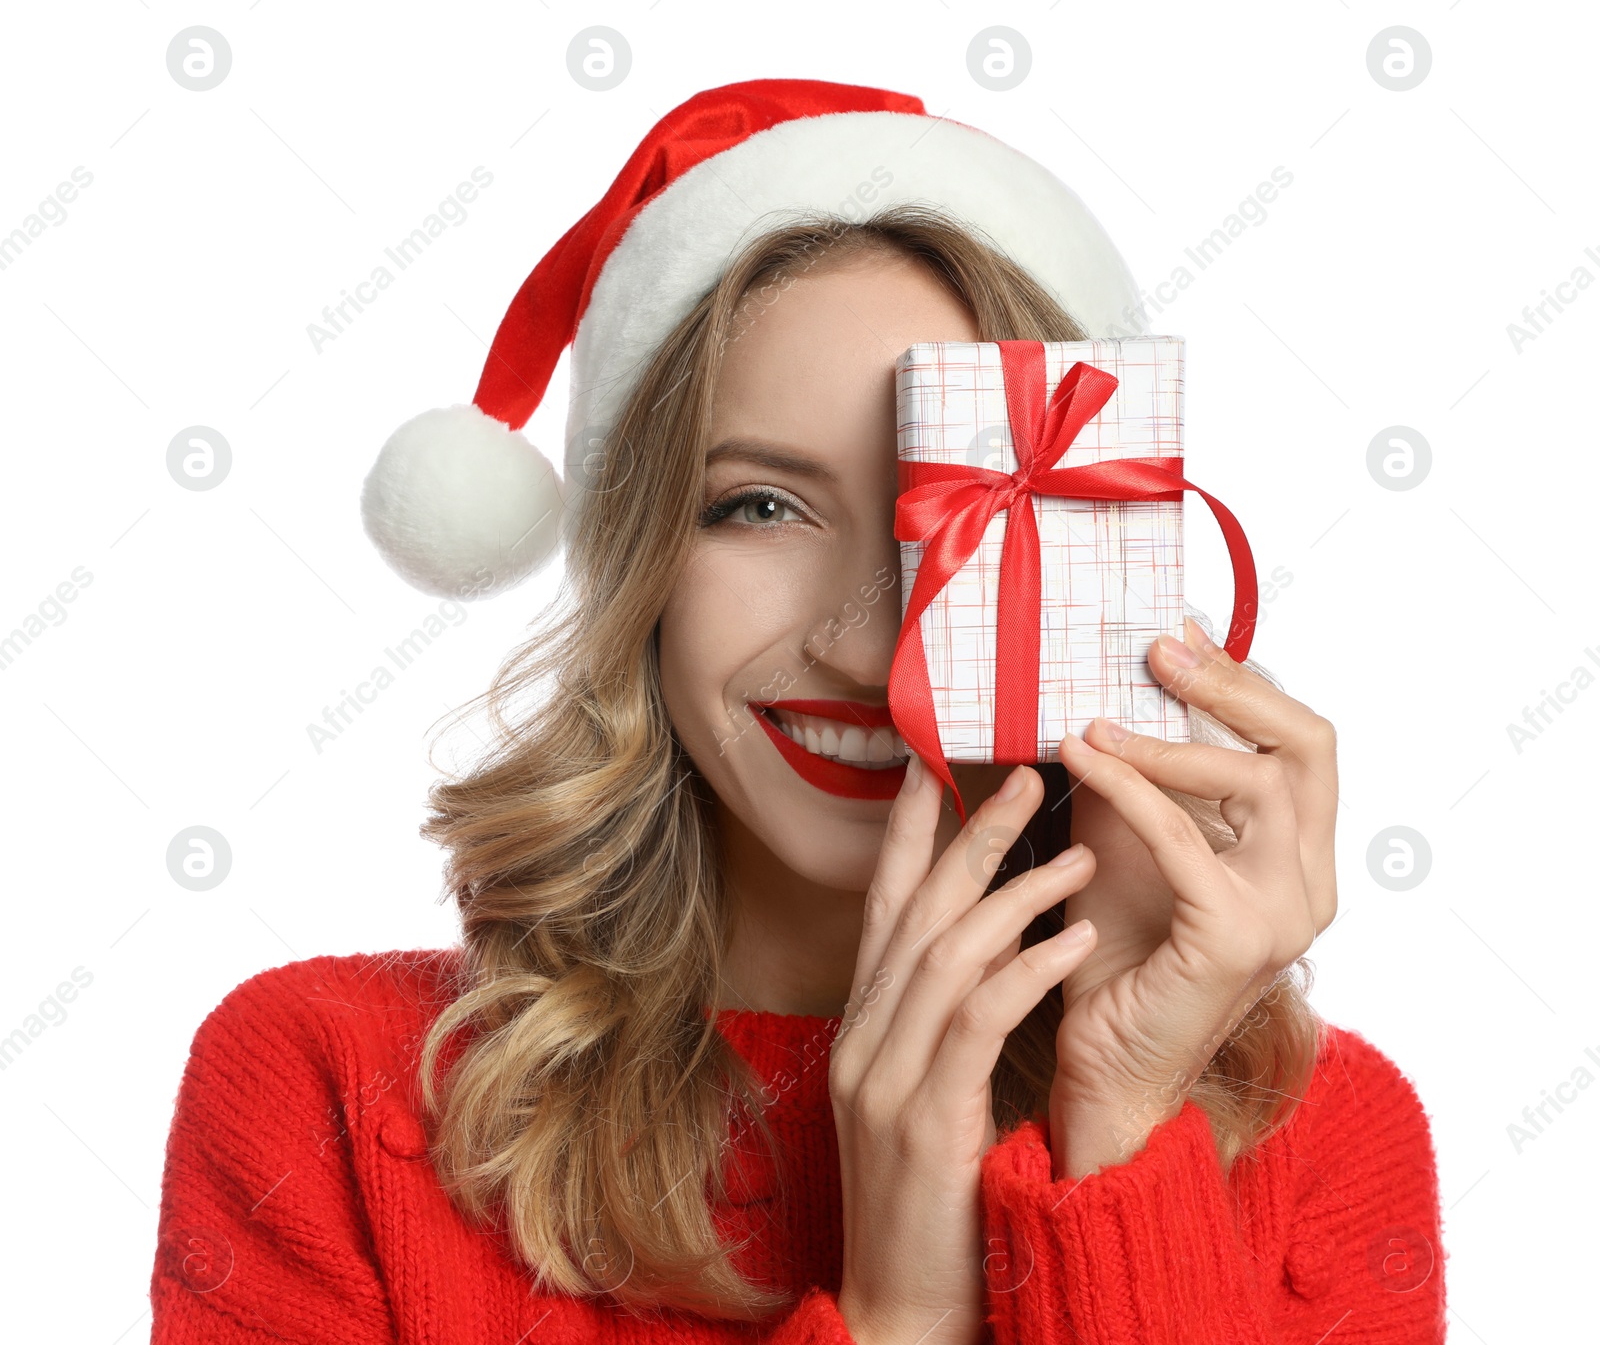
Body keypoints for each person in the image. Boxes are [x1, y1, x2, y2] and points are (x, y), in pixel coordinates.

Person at [149, 79, 1446, 1344]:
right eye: (759, 505)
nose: (867, 639)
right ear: (639, 568)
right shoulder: (325, 1089)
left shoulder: (1323, 1136)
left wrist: (1120, 1142)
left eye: (951, 517)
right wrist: (895, 1313)